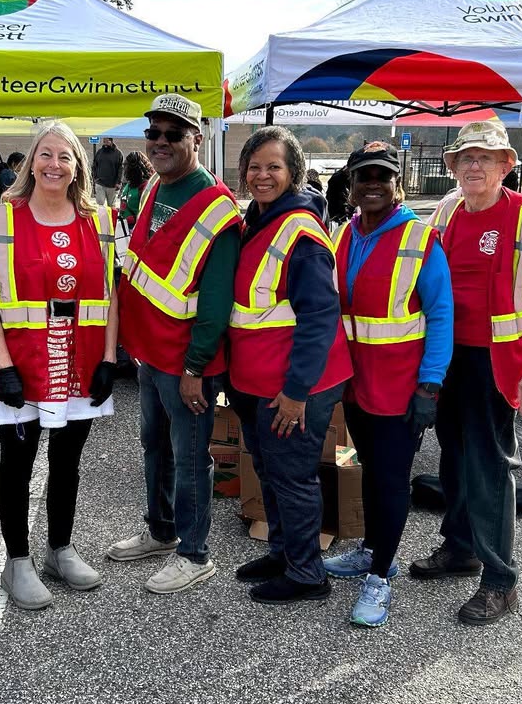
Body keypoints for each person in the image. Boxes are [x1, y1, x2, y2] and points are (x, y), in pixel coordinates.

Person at [422, 119, 522, 626]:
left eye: (486, 157)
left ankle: (501, 581)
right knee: (454, 458)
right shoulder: (446, 211)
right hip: (448, 357)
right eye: (466, 158)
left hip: (496, 362)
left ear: (507, 165)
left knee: (489, 468)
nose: (475, 165)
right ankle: (460, 548)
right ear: (453, 167)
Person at [0, 121, 119, 611]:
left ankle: (59, 549)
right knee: (17, 463)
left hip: (78, 357)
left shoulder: (98, 220)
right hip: (22, 360)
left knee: (68, 463)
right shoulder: (0, 220)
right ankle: (18, 561)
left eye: (65, 156)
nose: (54, 165)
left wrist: (109, 359)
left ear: (78, 165)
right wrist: (3, 366)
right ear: (30, 160)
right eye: (46, 154)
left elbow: (110, 294)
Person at [109, 94, 241, 595]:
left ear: (196, 139)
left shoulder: (215, 207)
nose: (161, 142)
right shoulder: (154, 188)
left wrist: (195, 367)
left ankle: (194, 552)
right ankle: (162, 530)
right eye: (154, 133)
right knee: (154, 445)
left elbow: (215, 300)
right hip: (150, 351)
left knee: (188, 456)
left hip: (185, 360)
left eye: (173, 134)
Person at [322, 142, 453, 627]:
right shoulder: (344, 235)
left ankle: (379, 578)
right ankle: (377, 550)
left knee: (390, 479)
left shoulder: (421, 239)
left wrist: (430, 386)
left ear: (397, 184)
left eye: (382, 175)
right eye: (363, 176)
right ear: (351, 186)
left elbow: (441, 315)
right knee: (366, 471)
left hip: (402, 390)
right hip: (356, 387)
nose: (372, 184)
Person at [227, 126, 353, 605]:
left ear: (294, 174)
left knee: (293, 475)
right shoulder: (258, 221)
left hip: (296, 385)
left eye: (273, 167)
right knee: (271, 469)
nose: (262, 176)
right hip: (261, 381)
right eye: (254, 167)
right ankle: (283, 551)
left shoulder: (299, 232)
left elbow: (320, 318)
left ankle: (306, 573)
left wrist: (297, 391)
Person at [117, 150, 153, 229]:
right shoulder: (129, 184)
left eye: (126, 167)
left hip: (135, 228)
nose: (125, 170)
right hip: (123, 226)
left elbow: (147, 212)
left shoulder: (145, 187)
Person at [92, 136, 123, 206]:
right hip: (100, 183)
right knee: (100, 205)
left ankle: (111, 217)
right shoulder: (99, 152)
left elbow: (120, 169)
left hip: (112, 185)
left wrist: (118, 182)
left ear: (111, 141)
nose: (105, 143)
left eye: (106, 141)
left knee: (111, 205)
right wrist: (95, 177)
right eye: (104, 141)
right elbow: (94, 165)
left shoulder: (118, 154)